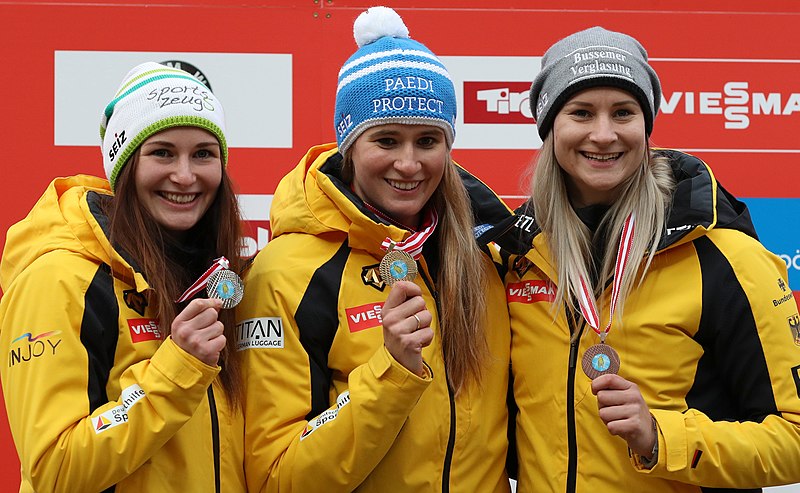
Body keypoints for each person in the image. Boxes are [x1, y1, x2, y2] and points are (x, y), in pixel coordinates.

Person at [504, 26, 800, 492]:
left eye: (623, 112)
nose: (603, 135)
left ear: (646, 126)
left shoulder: (727, 256)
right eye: (581, 112)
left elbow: (795, 438)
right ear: (549, 126)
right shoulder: (518, 256)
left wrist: (662, 439)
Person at [237, 6, 516, 492]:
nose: (408, 164)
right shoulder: (283, 273)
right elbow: (276, 476)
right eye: (386, 140)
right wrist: (391, 373)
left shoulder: (484, 258)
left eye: (428, 141)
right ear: (349, 143)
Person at [0, 62, 247, 492]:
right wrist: (177, 369)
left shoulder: (211, 272)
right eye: (162, 152)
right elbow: (54, 472)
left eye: (204, 153)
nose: (186, 175)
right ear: (124, 164)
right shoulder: (58, 278)